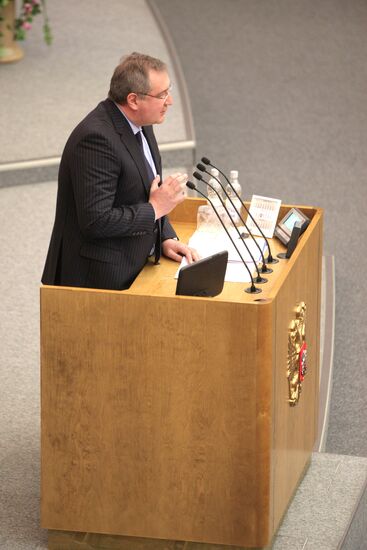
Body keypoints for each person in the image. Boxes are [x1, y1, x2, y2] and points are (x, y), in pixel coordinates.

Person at [42, 52, 198, 291]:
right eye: (162, 95)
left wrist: (165, 237)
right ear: (134, 100)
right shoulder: (96, 139)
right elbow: (96, 220)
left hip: (134, 262)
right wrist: (156, 208)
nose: (170, 101)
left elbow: (149, 190)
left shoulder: (141, 123)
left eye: (169, 90)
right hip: (97, 280)